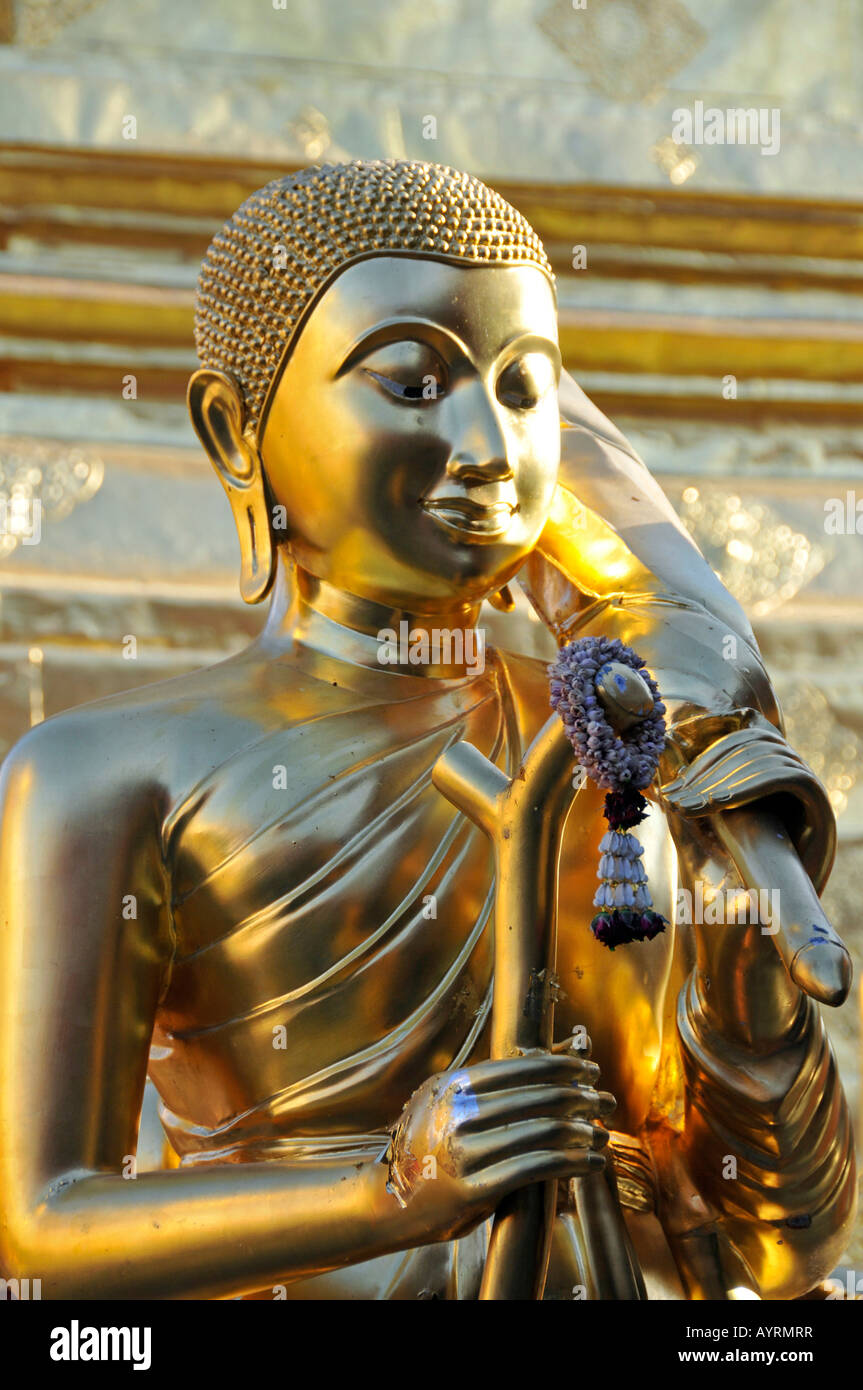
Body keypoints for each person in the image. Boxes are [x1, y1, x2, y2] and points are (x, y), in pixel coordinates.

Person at [0, 161, 854, 1299]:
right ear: (230, 431)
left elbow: (774, 1254)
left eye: (521, 389)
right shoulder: (105, 772)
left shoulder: (610, 753)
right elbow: (43, 1227)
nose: (489, 448)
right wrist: (384, 1194)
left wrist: (749, 1014)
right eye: (410, 381)